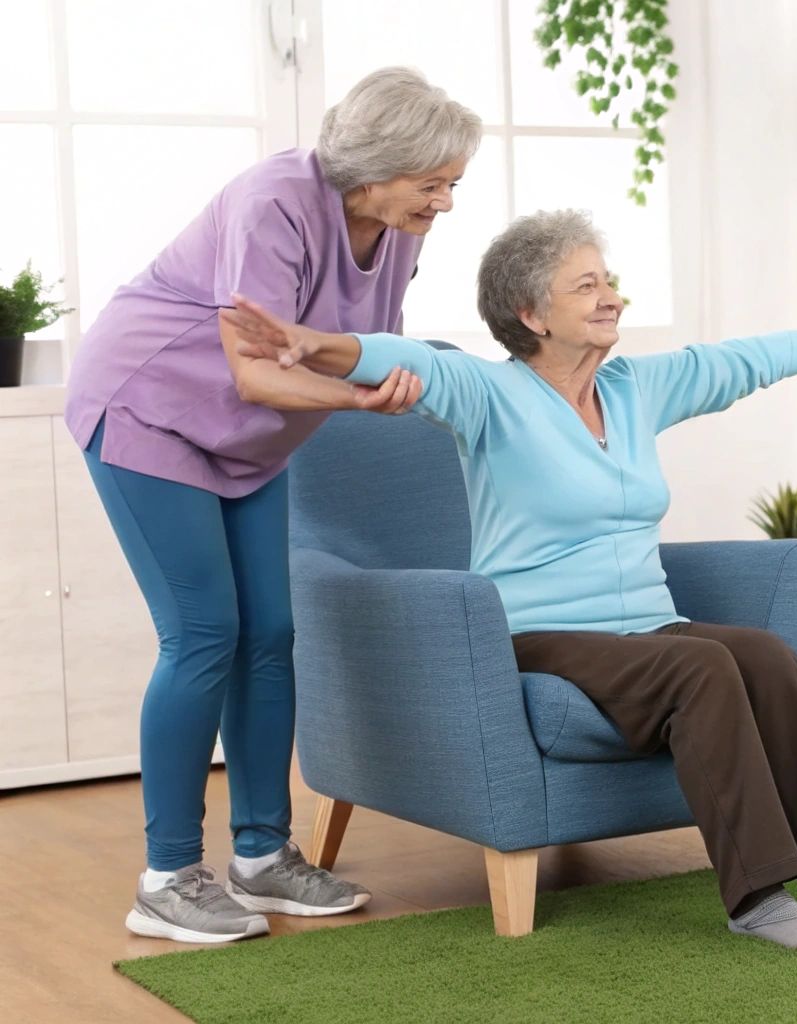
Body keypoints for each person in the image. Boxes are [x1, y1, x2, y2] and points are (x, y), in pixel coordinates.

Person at [221, 208, 797, 953]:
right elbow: (404, 357)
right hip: (540, 633)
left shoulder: (635, 388)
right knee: (704, 667)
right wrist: (313, 345)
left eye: (609, 281)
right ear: (530, 313)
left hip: (647, 630)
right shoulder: (488, 396)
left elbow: (753, 358)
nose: (610, 296)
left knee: (764, 656)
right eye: (585, 285)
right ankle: (756, 897)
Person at [62, 67, 481, 944]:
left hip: (251, 440)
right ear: (373, 169)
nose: (446, 198)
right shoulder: (273, 203)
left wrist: (383, 374)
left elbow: (358, 345)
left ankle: (263, 854)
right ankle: (168, 877)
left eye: (452, 181)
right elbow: (257, 369)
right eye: (433, 182)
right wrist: (363, 398)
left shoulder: (398, 225)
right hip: (151, 408)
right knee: (205, 631)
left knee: (272, 634)